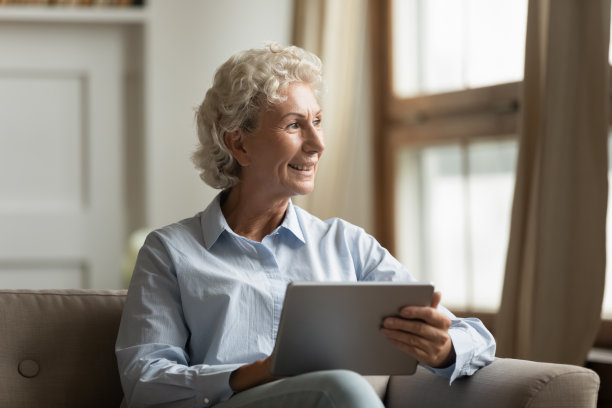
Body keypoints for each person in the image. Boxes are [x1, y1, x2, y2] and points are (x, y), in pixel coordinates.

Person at [115, 43, 496, 408]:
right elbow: (144, 382)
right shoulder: (170, 251)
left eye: (317, 121)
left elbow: (477, 339)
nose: (317, 143)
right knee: (339, 385)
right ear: (239, 144)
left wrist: (443, 349)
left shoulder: (346, 245)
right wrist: (258, 373)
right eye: (295, 125)